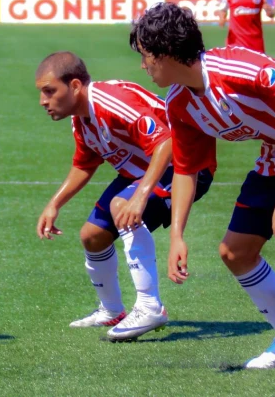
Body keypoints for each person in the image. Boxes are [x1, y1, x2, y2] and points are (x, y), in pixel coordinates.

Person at [130, 3, 275, 390]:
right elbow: (186, 168)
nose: (143, 66)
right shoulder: (179, 102)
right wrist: (176, 236)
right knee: (235, 252)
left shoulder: (229, 66)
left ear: (166, 53)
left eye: (146, 56)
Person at [35, 52, 213, 342]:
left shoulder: (111, 101)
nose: (43, 100)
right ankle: (112, 310)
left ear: (76, 86)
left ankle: (149, 307)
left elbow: (167, 143)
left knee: (123, 207)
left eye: (49, 91)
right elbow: (84, 164)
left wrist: (140, 197)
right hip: (143, 170)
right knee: (92, 236)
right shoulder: (80, 119)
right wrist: (54, 204)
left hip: (187, 165)